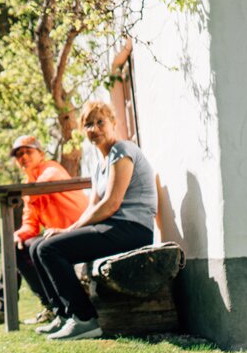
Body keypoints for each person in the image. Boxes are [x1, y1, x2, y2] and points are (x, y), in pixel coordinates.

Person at [31, 101, 157, 340]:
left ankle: (85, 319)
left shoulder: (122, 151)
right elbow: (93, 206)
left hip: (132, 229)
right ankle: (64, 315)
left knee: (49, 249)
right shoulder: (101, 163)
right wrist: (66, 231)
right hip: (114, 227)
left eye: (101, 122)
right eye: (88, 124)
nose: (95, 128)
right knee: (38, 245)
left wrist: (69, 230)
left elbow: (111, 204)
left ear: (113, 123)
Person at [0, 136, 88, 327]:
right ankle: (47, 306)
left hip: (80, 231)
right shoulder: (29, 185)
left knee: (31, 247)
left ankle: (9, 309)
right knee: (15, 245)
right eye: (19, 154)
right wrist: (18, 235)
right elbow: (31, 225)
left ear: (41, 154)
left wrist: (28, 192)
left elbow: (45, 183)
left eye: (28, 151)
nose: (24, 157)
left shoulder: (51, 169)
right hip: (58, 237)